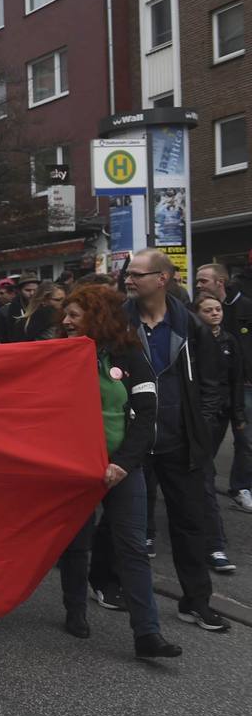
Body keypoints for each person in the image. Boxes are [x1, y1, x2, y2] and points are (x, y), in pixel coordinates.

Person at [95, 249, 228, 632]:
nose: (129, 280)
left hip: (178, 442)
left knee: (190, 522)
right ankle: (104, 581)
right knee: (122, 522)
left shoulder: (190, 325)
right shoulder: (117, 323)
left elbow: (210, 384)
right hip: (132, 441)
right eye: (128, 274)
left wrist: (199, 428)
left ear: (162, 279)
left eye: (137, 274)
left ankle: (196, 601)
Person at [56, 285, 182, 659]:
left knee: (132, 548)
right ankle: (74, 611)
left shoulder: (131, 354)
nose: (64, 321)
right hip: (74, 468)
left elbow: (146, 414)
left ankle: (147, 634)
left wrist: (123, 463)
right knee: (77, 545)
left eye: (74, 316)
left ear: (98, 318)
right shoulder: (58, 354)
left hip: (123, 467)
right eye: (65, 314)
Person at [194, 292, 245, 573]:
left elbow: (236, 379)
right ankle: (213, 544)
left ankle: (214, 543)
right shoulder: (193, 341)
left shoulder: (229, 341)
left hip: (220, 413)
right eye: (208, 310)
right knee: (202, 475)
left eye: (217, 309)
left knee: (205, 472)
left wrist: (238, 415)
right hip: (196, 417)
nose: (215, 313)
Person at [195, 263, 252, 511]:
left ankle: (241, 487)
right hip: (211, 391)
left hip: (243, 386)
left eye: (203, 280)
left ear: (220, 281)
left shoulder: (245, 307)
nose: (198, 285)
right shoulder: (195, 313)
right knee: (208, 444)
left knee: (245, 440)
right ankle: (201, 487)